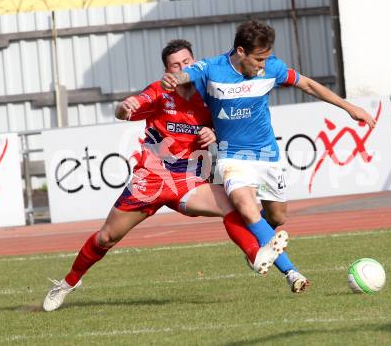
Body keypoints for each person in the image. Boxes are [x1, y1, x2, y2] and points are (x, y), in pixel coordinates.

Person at [42, 39, 289, 312]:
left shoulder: (210, 93)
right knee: (106, 238)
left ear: (194, 63)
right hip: (151, 180)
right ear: (168, 71)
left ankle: (255, 256)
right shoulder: (160, 91)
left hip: (189, 181)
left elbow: (230, 125)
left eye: (186, 62)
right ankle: (67, 283)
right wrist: (126, 106)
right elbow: (126, 109)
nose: (182, 67)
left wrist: (215, 132)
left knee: (236, 205)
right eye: (176, 65)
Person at [161, 20, 377, 293]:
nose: (263, 65)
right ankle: (292, 273)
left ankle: (258, 239)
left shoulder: (271, 68)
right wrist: (174, 78)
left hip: (266, 155)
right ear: (240, 51)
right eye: (258, 59)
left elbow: (308, 84)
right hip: (232, 156)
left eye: (266, 58)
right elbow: (186, 75)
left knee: (277, 217)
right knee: (244, 204)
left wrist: (349, 107)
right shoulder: (213, 68)